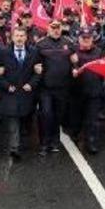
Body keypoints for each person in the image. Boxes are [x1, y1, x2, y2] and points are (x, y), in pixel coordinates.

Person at [0, 27, 42, 160]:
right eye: (17, 36)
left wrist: (31, 84)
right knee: (13, 120)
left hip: (27, 93)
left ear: (26, 37)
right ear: (12, 37)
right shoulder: (4, 52)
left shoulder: (34, 52)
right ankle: (14, 148)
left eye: (22, 35)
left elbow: (38, 73)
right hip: (11, 92)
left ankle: (22, 141)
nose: (19, 38)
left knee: (25, 119)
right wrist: (6, 85)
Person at [35, 19, 74, 155]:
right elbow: (34, 62)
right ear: (48, 28)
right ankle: (44, 143)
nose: (56, 30)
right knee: (46, 114)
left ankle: (54, 141)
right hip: (45, 88)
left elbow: (75, 61)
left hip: (63, 87)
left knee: (58, 115)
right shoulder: (40, 44)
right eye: (53, 27)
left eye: (58, 27)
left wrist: (75, 66)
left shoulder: (69, 43)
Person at [69, 27, 105, 154]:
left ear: (92, 39)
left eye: (88, 38)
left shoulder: (99, 52)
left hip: (94, 91)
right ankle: (74, 135)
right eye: (83, 38)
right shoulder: (73, 51)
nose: (86, 40)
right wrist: (71, 71)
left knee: (93, 119)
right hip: (77, 91)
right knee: (76, 117)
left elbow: (103, 70)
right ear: (79, 39)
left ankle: (91, 142)